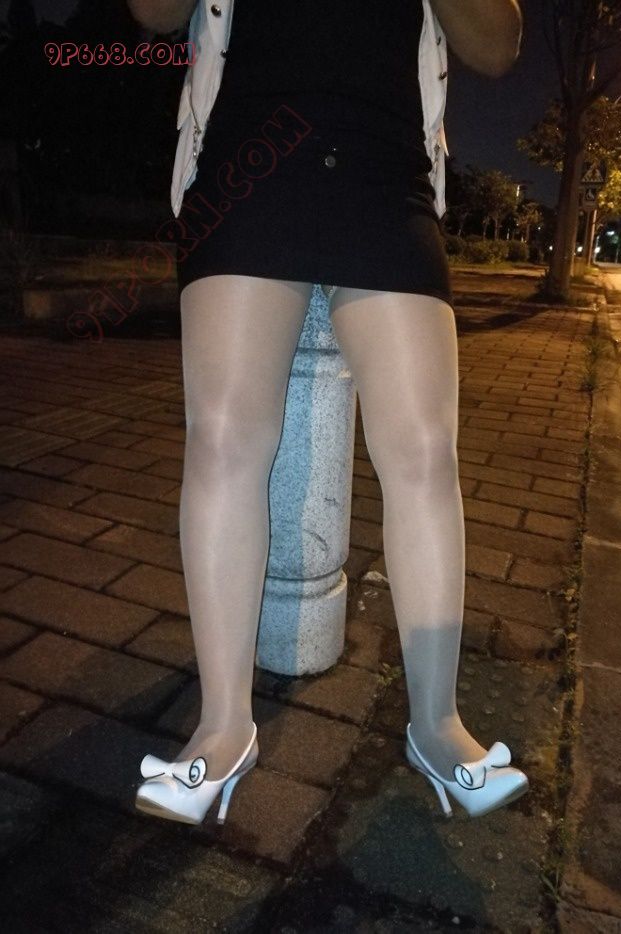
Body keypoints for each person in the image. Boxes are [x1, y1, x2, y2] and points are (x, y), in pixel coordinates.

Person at [127, 0, 526, 826]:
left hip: (386, 170)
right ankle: (223, 726)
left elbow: (497, 46)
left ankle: (437, 725)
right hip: (248, 159)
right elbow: (154, 13)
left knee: (424, 449)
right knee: (223, 440)